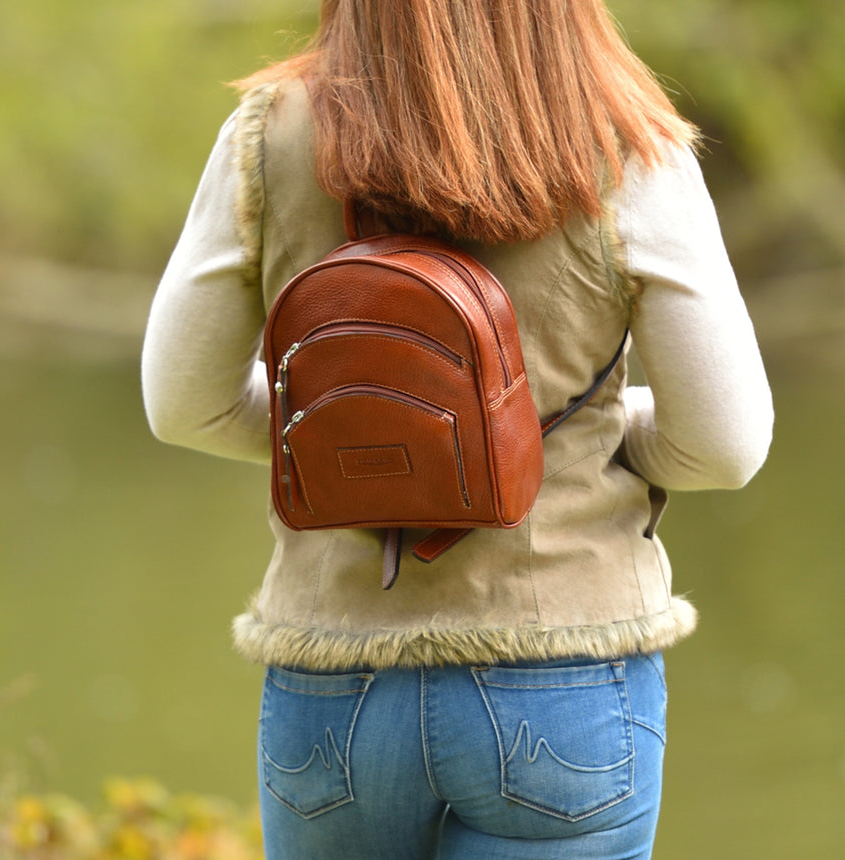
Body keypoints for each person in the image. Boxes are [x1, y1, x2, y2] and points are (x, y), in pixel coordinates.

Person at [141, 1, 773, 857]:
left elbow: (186, 406)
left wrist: (359, 450)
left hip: (334, 681)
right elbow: (725, 445)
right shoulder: (629, 142)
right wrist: (567, 441)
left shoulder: (267, 135)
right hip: (564, 670)